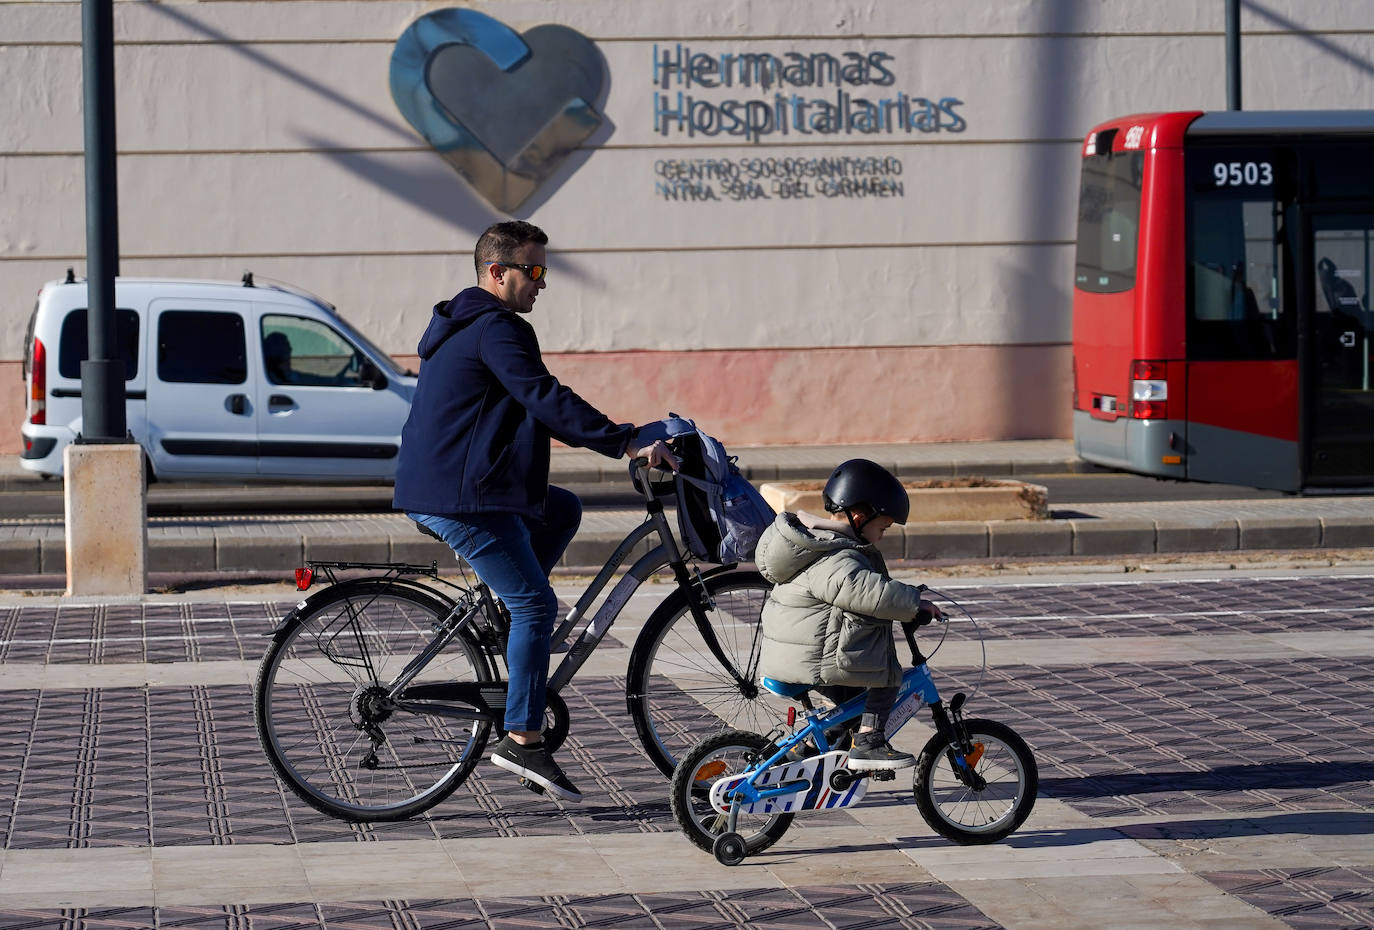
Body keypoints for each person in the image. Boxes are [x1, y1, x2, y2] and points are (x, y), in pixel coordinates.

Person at [393, 220, 674, 803]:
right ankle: (521, 736)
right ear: (498, 273)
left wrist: (618, 433)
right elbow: (544, 397)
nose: (542, 284)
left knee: (561, 509)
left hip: (457, 485)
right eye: (534, 271)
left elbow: (536, 405)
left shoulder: (467, 325)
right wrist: (624, 441)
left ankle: (506, 623)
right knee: (535, 603)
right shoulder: (495, 328)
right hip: (461, 496)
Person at [754, 458, 942, 770]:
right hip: (814, 656)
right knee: (887, 675)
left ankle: (803, 755)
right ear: (859, 515)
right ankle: (869, 742)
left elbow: (872, 587)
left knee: (849, 707)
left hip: (799, 651)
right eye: (882, 527)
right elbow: (863, 589)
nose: (881, 536)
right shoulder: (838, 555)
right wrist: (912, 603)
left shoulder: (820, 545)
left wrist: (907, 594)